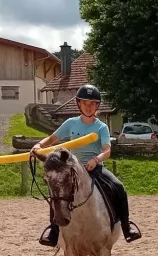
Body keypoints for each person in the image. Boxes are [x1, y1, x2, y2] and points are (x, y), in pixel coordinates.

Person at [32, 84, 142, 247]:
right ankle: (54, 231)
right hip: (73, 171)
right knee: (57, 192)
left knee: (119, 187)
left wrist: (96, 160)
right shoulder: (71, 123)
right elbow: (52, 139)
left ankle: (126, 226)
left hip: (95, 169)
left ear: (97, 106)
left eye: (92, 104)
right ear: (79, 104)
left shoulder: (101, 127)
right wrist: (38, 145)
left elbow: (107, 151)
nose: (88, 107)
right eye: (85, 103)